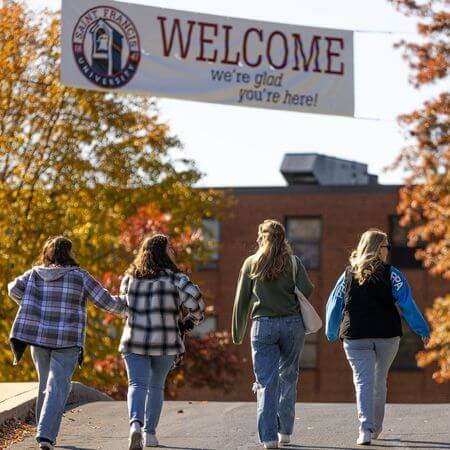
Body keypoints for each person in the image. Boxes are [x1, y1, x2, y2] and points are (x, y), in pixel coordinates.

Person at [8, 236, 127, 450]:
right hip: (67, 340)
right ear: (69, 253)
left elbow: (12, 289)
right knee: (58, 386)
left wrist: (33, 306)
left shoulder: (35, 274)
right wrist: (128, 305)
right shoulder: (79, 276)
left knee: (45, 385)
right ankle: (45, 435)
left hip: (39, 338)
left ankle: (43, 432)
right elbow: (105, 300)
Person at [326, 229, 430, 446]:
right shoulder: (393, 274)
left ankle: (365, 428)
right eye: (386, 247)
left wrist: (331, 330)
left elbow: (334, 303)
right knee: (379, 380)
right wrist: (422, 330)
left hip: (355, 336)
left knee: (363, 381)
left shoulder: (347, 274)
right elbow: (407, 304)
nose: (388, 252)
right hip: (387, 335)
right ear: (378, 248)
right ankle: (375, 428)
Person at [232, 219, 314, 449]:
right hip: (292, 325)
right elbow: (307, 288)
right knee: (288, 376)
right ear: (282, 238)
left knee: (266, 382)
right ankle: (285, 432)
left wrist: (237, 332)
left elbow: (242, 300)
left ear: (262, 237)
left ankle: (268, 438)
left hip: (263, 325)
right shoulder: (293, 262)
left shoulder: (251, 263)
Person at [119, 234, 205, 450]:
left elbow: (123, 308)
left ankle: (135, 425)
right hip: (165, 341)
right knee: (156, 386)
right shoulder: (176, 278)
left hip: (134, 339)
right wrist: (190, 321)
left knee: (136, 384)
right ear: (166, 252)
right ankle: (149, 434)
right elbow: (197, 302)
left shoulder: (130, 278)